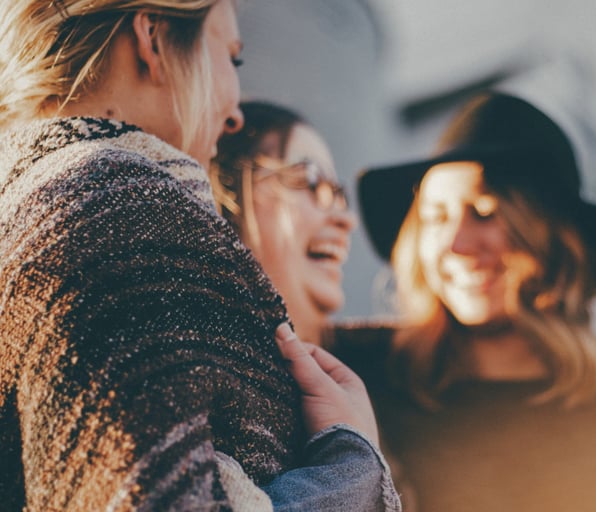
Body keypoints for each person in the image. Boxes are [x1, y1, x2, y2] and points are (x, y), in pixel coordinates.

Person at [0, 1, 399, 511]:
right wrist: (353, 460)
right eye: (232, 59)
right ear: (155, 39)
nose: (235, 114)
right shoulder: (124, 209)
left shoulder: (34, 211)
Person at [329, 91, 596, 511]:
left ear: (551, 238)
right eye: (436, 217)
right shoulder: (362, 377)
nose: (456, 245)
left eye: (484, 211)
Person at [211, 101, 356, 345]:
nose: (346, 219)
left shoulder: (394, 371)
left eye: (338, 192)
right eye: (311, 180)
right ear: (227, 197)